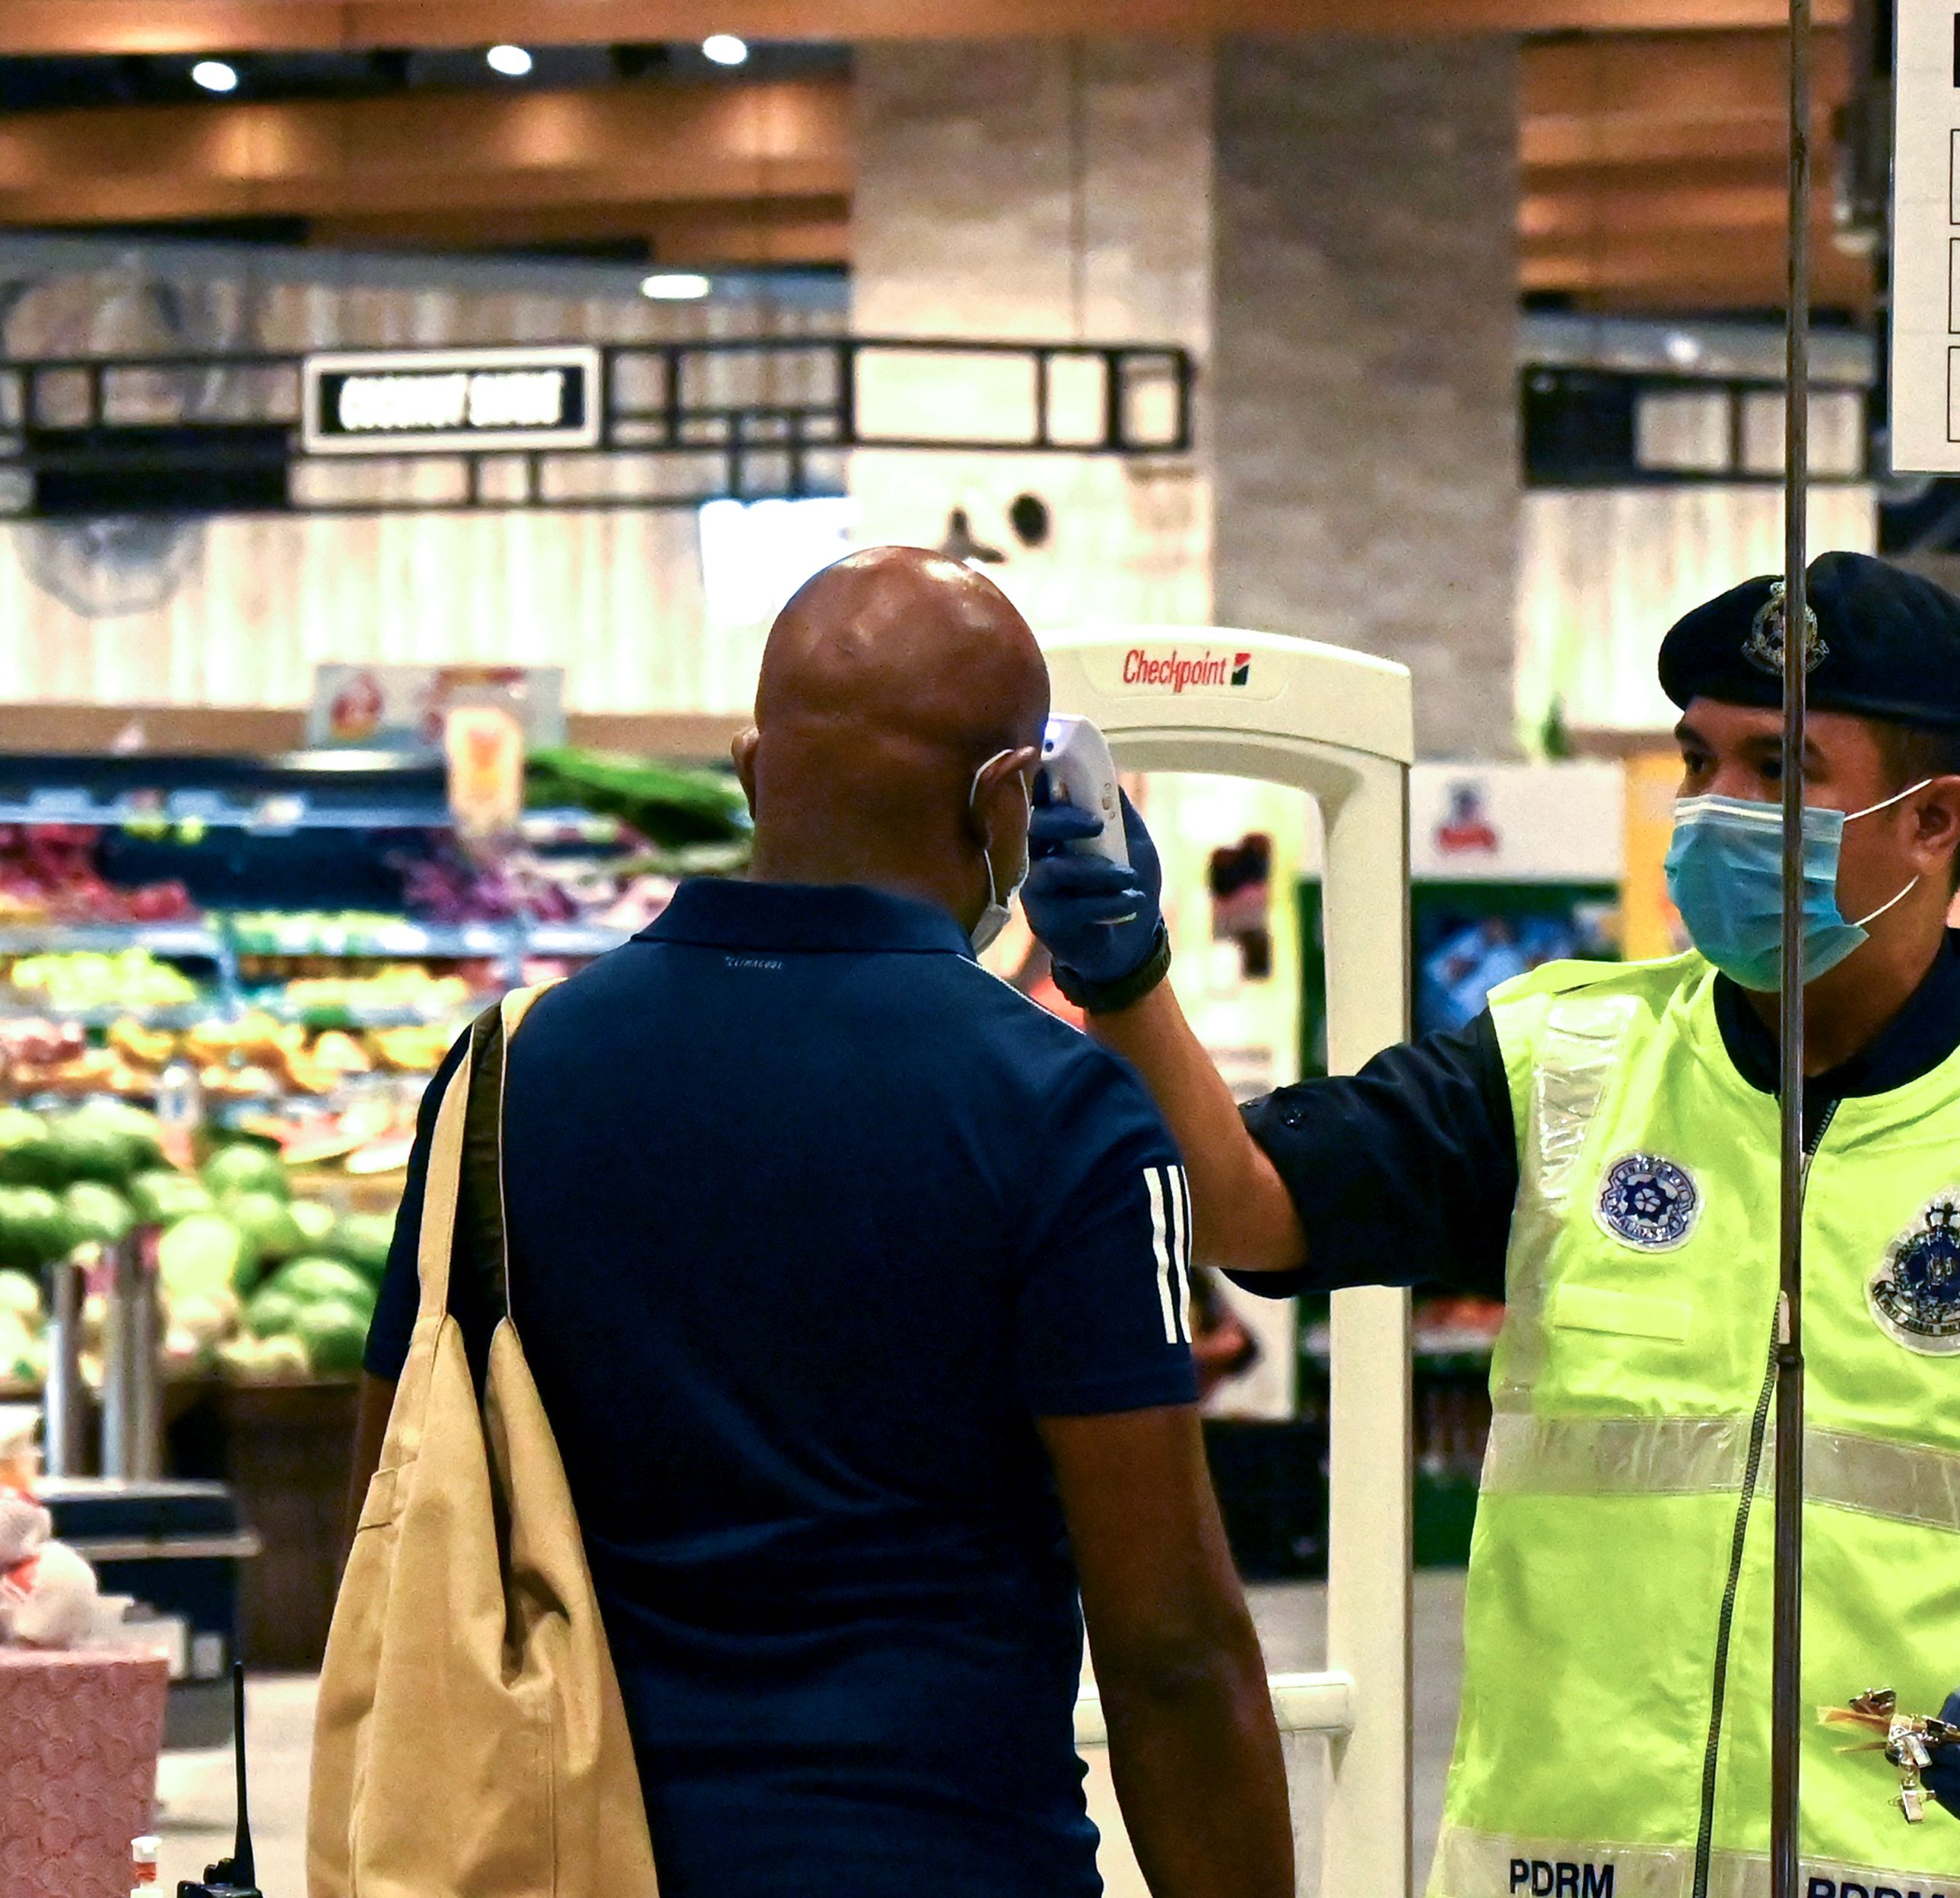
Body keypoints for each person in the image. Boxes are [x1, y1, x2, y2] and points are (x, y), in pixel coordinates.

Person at [1024, 551, 1960, 1898]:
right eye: (1697, 760)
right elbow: (1251, 1202)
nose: (1713, 808)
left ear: (1932, 818)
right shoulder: (1564, 1061)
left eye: (1777, 769)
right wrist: (1129, 983)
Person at [351, 548, 1292, 1898]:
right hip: (949, 1857)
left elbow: (386, 1496)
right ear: (1006, 803)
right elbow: (1173, 1650)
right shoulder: (1060, 1109)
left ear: (751, 768)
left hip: (572, 1852)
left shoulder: (506, 1072)